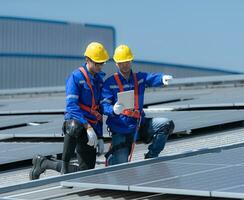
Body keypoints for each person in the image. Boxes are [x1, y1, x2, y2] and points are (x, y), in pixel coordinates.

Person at [29, 42, 109, 180]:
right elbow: (72, 106)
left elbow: (99, 110)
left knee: (86, 172)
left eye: (102, 63)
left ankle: (43, 163)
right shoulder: (76, 77)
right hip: (77, 124)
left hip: (91, 129)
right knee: (74, 126)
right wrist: (87, 126)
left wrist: (100, 136)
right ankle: (65, 167)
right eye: (97, 63)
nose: (99, 66)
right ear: (87, 60)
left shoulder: (99, 81)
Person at [102, 44, 175, 166]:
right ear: (116, 63)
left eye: (127, 61)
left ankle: (151, 156)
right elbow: (103, 105)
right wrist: (113, 110)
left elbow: (151, 78)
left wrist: (162, 79)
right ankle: (113, 158)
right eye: (121, 62)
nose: (124, 65)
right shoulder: (110, 83)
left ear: (131, 61)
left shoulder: (139, 78)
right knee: (121, 167)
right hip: (121, 129)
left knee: (166, 124)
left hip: (139, 125)